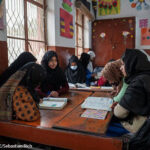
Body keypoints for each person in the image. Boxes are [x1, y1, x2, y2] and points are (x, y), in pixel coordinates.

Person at [114, 49, 150, 133]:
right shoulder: (146, 76)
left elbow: (119, 113)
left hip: (143, 129)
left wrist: (120, 105)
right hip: (146, 123)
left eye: (123, 64)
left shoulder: (138, 82)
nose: (121, 68)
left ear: (131, 64)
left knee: (108, 126)